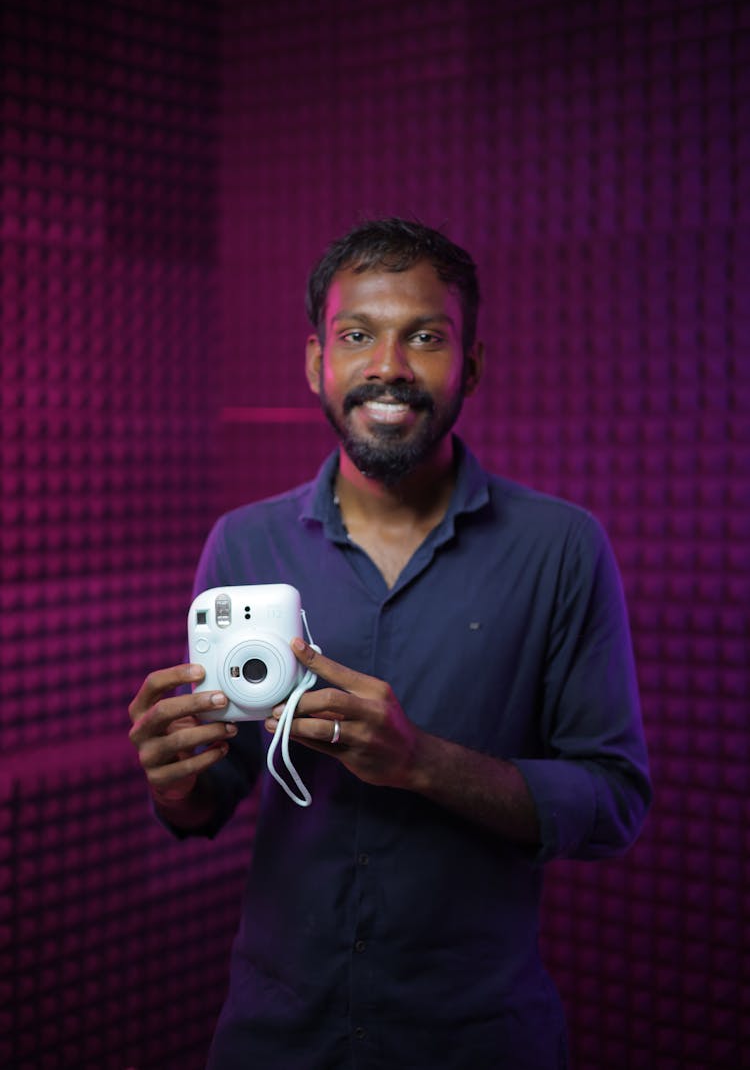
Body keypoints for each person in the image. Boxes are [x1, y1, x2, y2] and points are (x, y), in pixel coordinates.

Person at [129, 218, 652, 1069]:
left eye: (427, 337)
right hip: (275, 1040)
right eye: (358, 335)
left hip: (479, 1043)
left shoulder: (561, 548)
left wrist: (422, 763)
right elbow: (209, 798)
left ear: (471, 365)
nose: (389, 367)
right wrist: (173, 780)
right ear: (316, 363)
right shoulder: (242, 544)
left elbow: (615, 803)